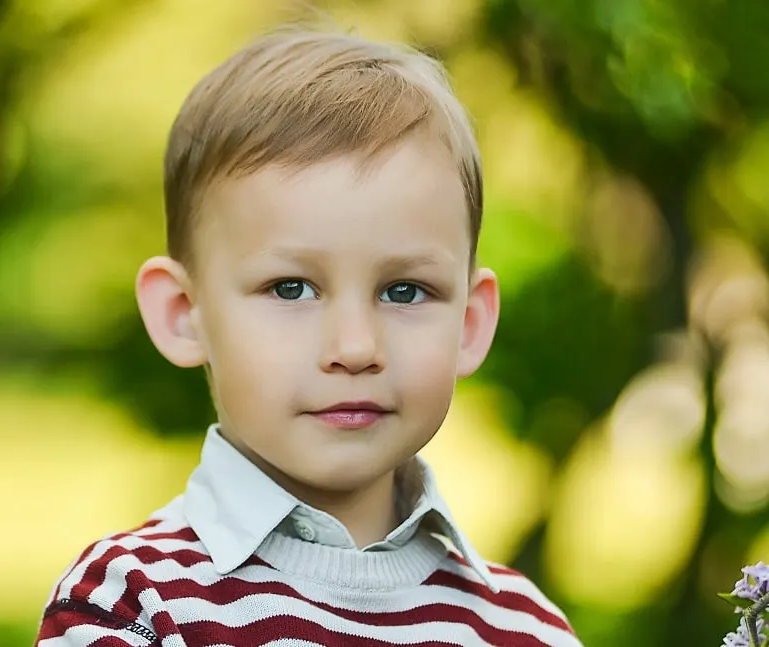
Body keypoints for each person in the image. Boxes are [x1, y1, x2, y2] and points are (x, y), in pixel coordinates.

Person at [34, 25, 583, 647]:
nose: (354, 348)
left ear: (470, 324)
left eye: (404, 291)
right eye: (291, 289)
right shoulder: (132, 604)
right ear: (185, 312)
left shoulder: (524, 629)